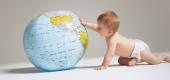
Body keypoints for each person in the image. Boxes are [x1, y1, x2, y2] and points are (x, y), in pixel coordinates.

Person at [80, 11, 170, 70]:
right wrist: (86, 23)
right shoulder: (109, 33)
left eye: (100, 27)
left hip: (138, 48)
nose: (98, 28)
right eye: (98, 26)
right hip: (129, 54)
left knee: (154, 61)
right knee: (120, 61)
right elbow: (96, 27)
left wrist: (104, 65)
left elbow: (110, 54)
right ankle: (136, 60)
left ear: (109, 31)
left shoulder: (112, 39)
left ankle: (163, 57)